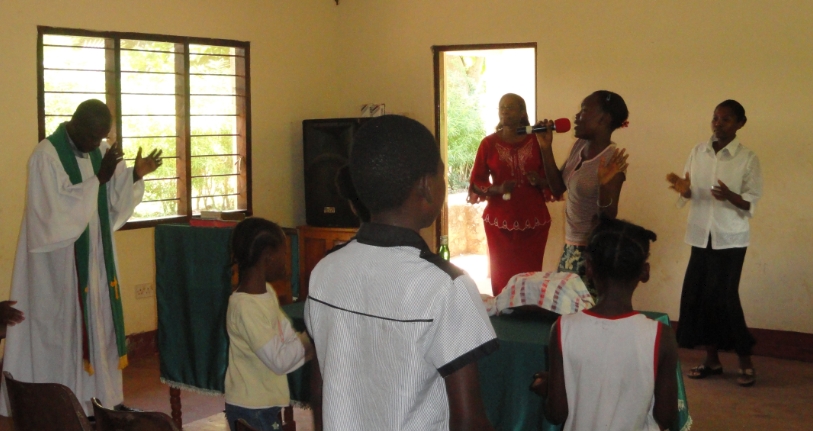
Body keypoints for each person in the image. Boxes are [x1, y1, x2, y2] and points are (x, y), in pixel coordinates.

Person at [305, 115, 498, 431]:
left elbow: (319, 391)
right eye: (441, 175)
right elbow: (468, 422)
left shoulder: (325, 271)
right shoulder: (446, 286)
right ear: (426, 186)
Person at [0, 99, 163, 415]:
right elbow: (53, 214)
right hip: (59, 264)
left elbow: (112, 203)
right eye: (92, 137)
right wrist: (98, 180)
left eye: (101, 137)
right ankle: (65, 404)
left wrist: (134, 175)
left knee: (100, 326)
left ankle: (103, 400)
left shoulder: (100, 151)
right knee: (65, 331)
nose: (96, 144)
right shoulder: (46, 156)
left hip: (97, 259)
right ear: (75, 124)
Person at [531, 217, 678, 431]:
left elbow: (556, 413)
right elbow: (667, 417)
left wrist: (550, 388)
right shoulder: (661, 335)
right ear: (645, 272)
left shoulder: (563, 328)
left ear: (589, 268)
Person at [666, 99, 762, 387]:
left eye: (726, 119)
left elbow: (751, 201)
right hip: (700, 235)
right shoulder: (698, 151)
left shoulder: (747, 158)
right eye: (716, 118)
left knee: (725, 298)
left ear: (740, 124)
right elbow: (689, 190)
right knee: (700, 296)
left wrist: (731, 196)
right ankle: (712, 360)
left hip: (730, 238)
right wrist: (684, 190)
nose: (718, 124)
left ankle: (745, 360)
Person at [536, 90, 630, 297]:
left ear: (604, 119)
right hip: (571, 248)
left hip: (592, 253)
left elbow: (608, 217)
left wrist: (604, 185)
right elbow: (558, 188)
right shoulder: (579, 146)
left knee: (584, 310)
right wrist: (545, 147)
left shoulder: (612, 160)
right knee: (565, 309)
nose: (577, 116)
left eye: (584, 110)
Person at [225, 217, 314, 431]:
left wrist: (312, 341)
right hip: (251, 409)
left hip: (264, 406)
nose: (286, 259)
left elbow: (289, 343)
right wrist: (315, 336)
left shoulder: (268, 293)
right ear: (267, 256)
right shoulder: (246, 307)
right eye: (284, 252)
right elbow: (280, 361)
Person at [469, 93, 552, 296]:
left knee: (530, 277)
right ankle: (504, 311)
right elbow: (476, 183)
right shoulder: (488, 143)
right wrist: (497, 189)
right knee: (502, 277)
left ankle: (528, 311)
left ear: (523, 112)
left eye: (511, 107)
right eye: (502, 107)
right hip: (500, 224)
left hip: (534, 223)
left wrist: (539, 181)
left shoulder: (537, 141)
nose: (505, 111)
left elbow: (553, 180)